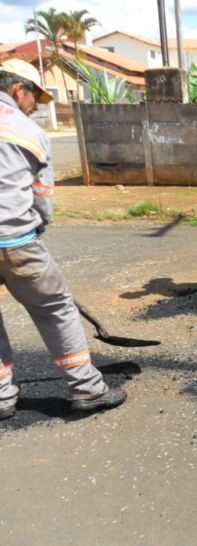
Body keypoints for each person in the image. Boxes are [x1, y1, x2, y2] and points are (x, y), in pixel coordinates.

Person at [0, 59, 127, 420]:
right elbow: (42, 197)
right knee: (56, 309)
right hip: (16, 239)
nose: (36, 106)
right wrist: (36, 228)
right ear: (17, 88)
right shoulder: (27, 131)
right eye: (34, 97)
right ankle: (87, 389)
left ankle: (1, 396)